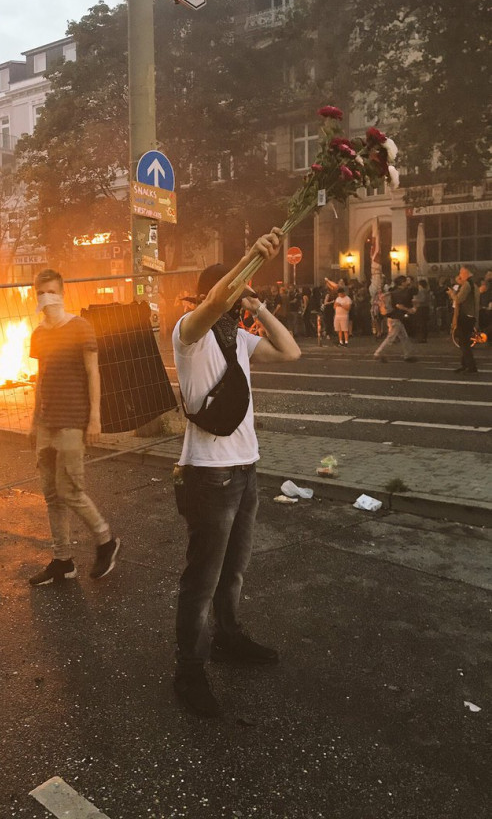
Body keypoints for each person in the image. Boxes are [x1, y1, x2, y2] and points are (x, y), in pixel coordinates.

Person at [171, 228, 301, 718]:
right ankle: (189, 671)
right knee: (202, 579)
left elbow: (290, 351)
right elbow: (212, 303)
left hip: (246, 468)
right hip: (210, 474)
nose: (237, 299)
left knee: (234, 570)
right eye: (235, 291)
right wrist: (250, 257)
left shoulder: (238, 338)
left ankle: (227, 637)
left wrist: (259, 306)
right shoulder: (189, 333)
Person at [28, 268, 120, 585]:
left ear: (62, 293)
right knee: (52, 495)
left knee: (70, 490)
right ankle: (62, 561)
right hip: (46, 422)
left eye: (51, 291)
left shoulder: (81, 327)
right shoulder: (38, 334)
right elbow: (40, 377)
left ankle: (106, 540)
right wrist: (33, 420)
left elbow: (93, 373)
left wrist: (95, 418)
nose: (46, 298)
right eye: (40, 293)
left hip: (72, 420)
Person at [373, 275, 418, 363]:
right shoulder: (400, 293)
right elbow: (399, 305)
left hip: (393, 317)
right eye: (405, 281)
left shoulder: (393, 292)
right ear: (402, 283)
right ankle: (378, 353)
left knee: (404, 337)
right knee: (391, 338)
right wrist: (409, 310)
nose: (407, 282)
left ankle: (408, 355)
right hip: (395, 318)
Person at [449, 266, 479, 375]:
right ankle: (465, 365)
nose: (460, 274)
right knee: (464, 342)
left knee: (464, 342)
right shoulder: (474, 284)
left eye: (461, 272)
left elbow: (459, 299)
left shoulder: (467, 285)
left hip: (465, 316)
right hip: (471, 316)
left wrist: (452, 294)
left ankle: (471, 366)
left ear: (466, 272)